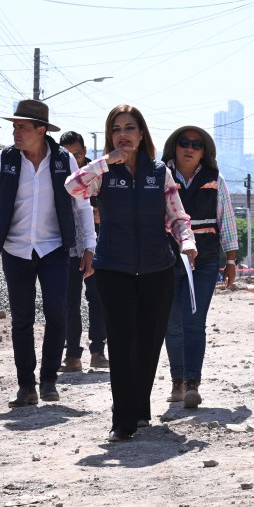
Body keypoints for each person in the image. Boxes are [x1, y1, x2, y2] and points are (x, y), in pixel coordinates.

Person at [65, 104, 197, 442]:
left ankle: (140, 410)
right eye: (116, 129)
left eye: (129, 128)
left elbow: (177, 216)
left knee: (149, 344)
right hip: (113, 268)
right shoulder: (104, 172)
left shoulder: (159, 172)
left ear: (141, 133)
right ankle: (122, 419)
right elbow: (72, 186)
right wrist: (105, 161)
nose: (123, 134)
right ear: (110, 136)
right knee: (123, 345)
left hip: (158, 269)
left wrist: (187, 243)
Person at [0, 101, 96, 406]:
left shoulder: (64, 160)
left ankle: (49, 381)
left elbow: (82, 205)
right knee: (21, 319)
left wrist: (89, 246)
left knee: (57, 313)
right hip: (15, 249)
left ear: (40, 130)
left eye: (22, 127)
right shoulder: (4, 158)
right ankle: (26, 386)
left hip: (55, 248)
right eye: (14, 127)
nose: (15, 132)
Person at [161, 126, 238, 408]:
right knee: (172, 324)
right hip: (167, 260)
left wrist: (230, 260)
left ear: (204, 151)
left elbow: (226, 220)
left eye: (196, 144)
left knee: (194, 321)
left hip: (205, 260)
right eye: (184, 142)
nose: (189, 148)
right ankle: (177, 381)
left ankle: (193, 383)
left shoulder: (215, 180)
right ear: (174, 146)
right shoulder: (159, 175)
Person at [57, 130, 108, 371]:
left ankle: (98, 351)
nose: (73, 160)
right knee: (70, 301)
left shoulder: (97, 174)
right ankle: (72, 355)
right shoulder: (57, 174)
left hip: (99, 245)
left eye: (77, 154)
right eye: (68, 155)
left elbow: (113, 205)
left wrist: (100, 216)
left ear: (85, 152)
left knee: (97, 298)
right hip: (68, 246)